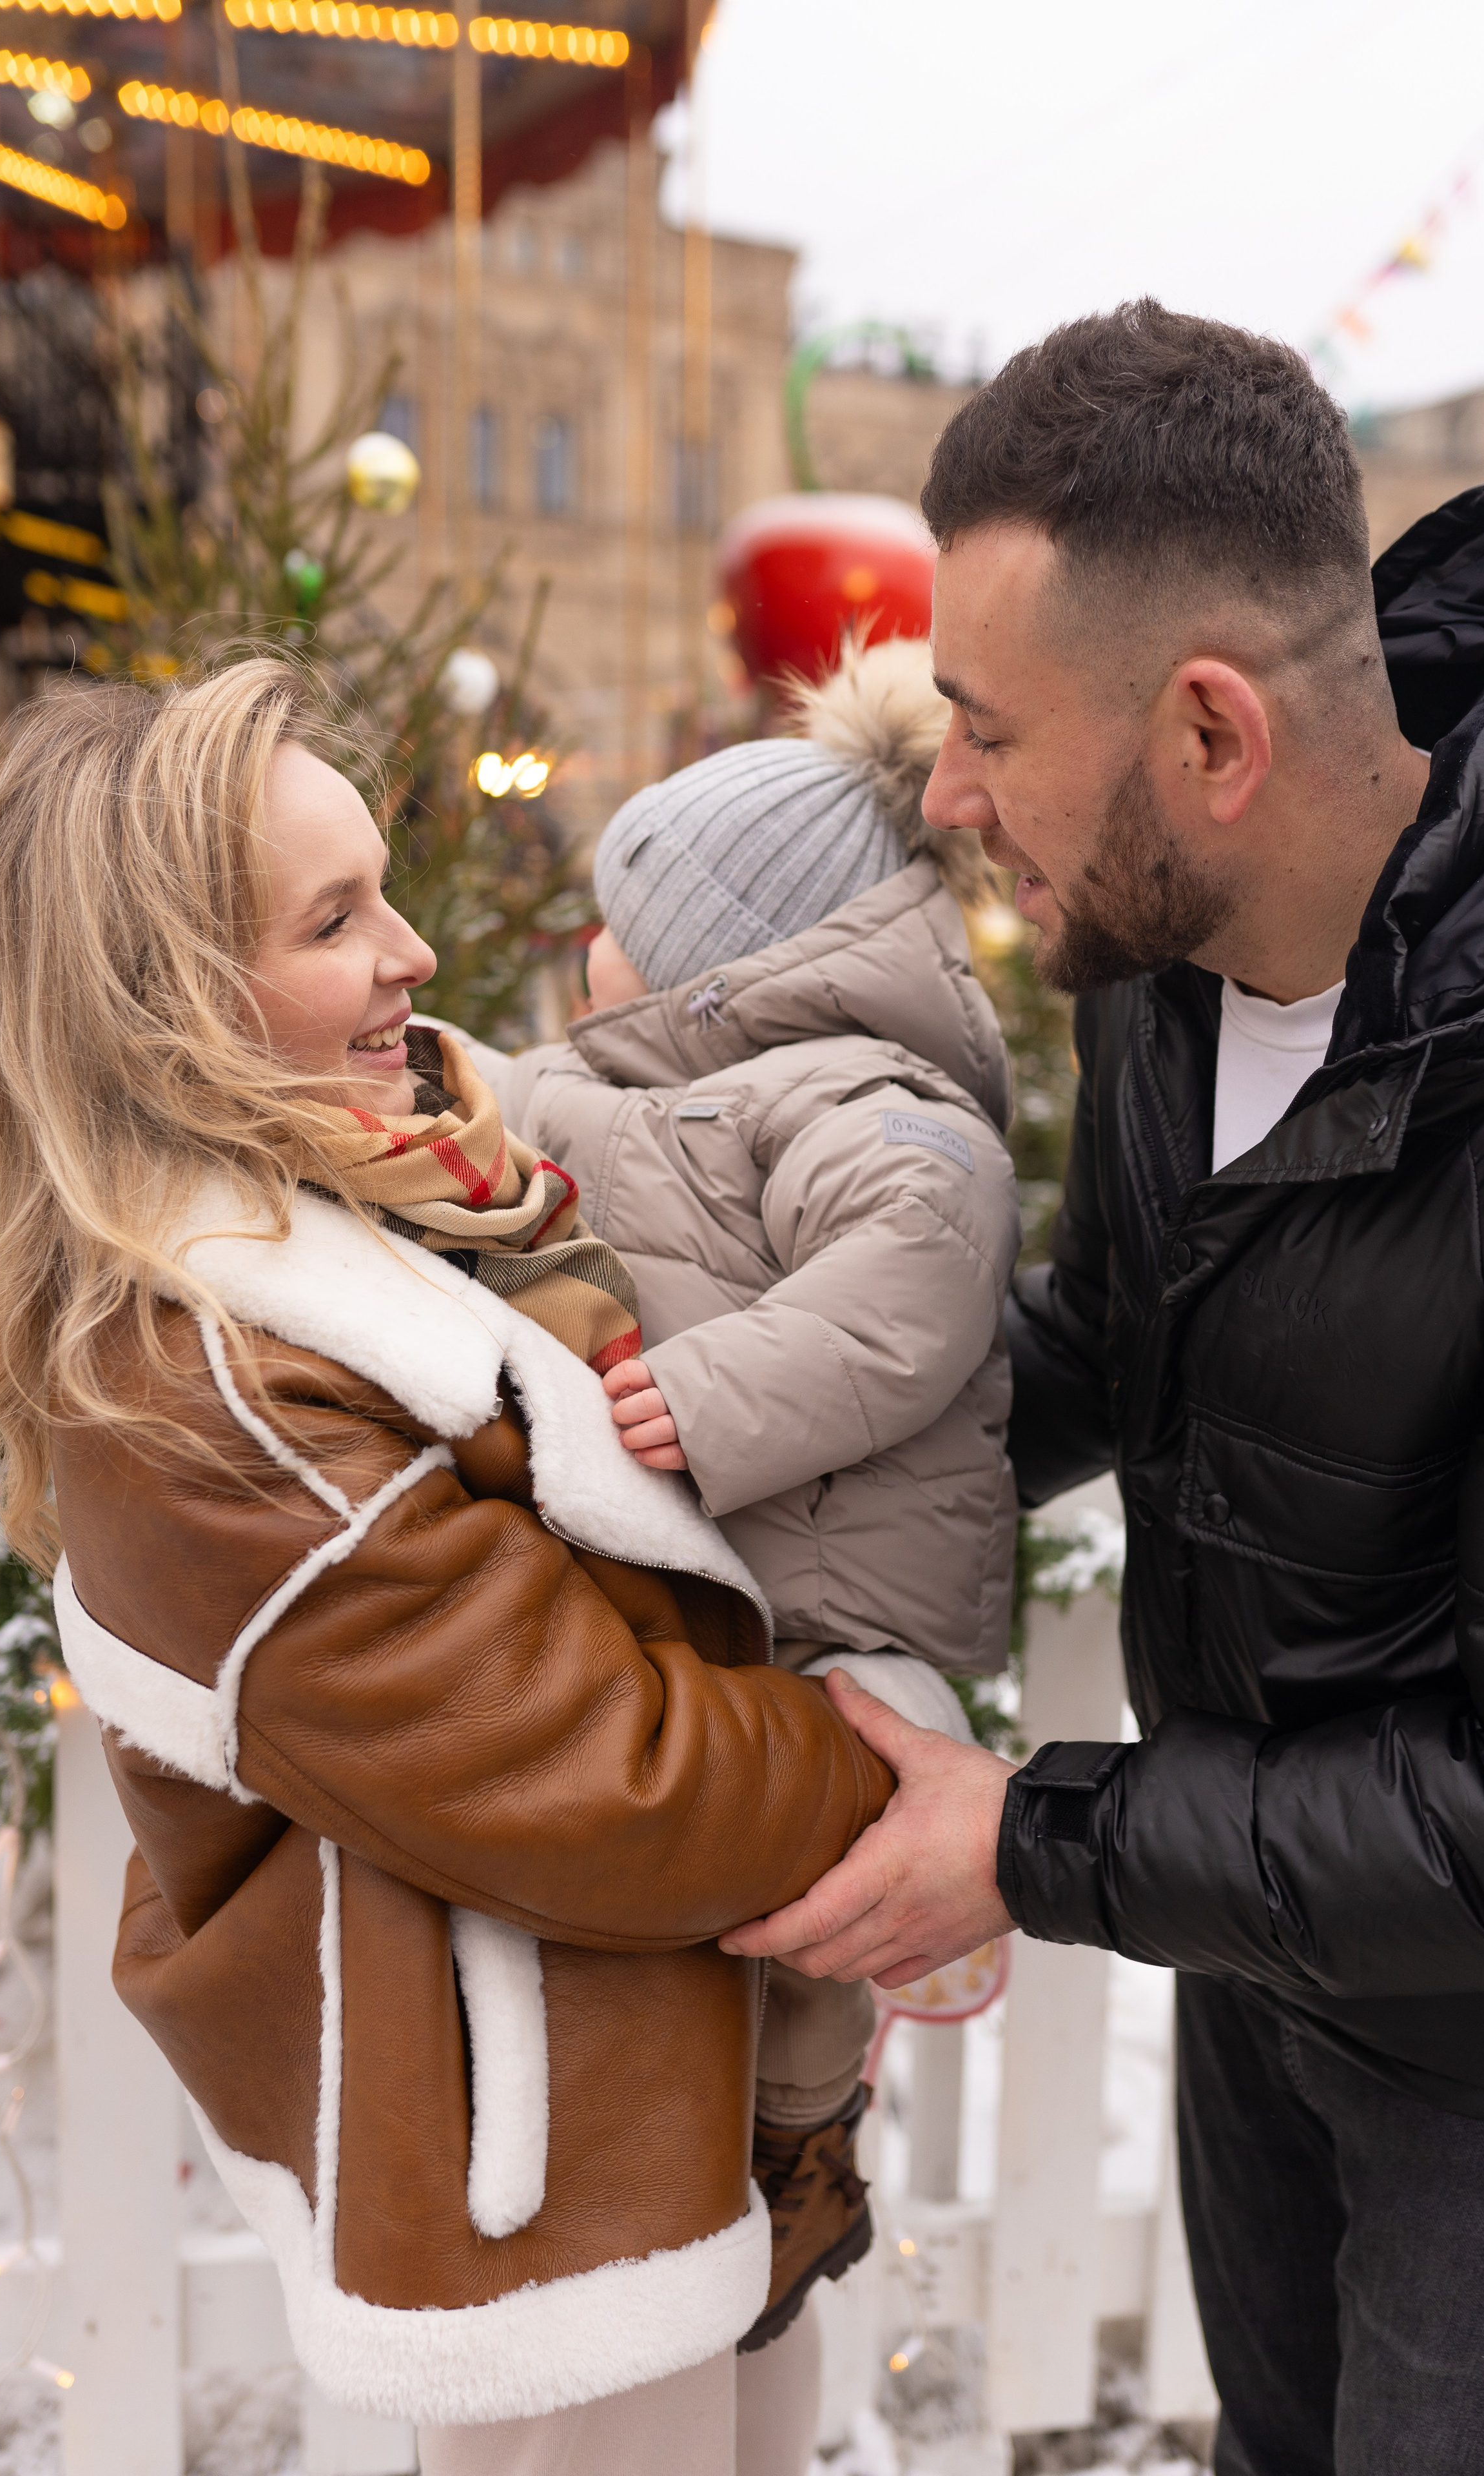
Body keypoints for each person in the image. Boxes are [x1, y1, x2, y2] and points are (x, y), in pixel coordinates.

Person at [724, 300, 1484, 2476]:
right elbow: (1116, 1333)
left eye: (989, 726)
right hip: (1263, 1972)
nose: (945, 789)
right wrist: (736, 1418)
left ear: (1210, 733)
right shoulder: (1164, 975)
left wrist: (1031, 1833)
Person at [0, 656, 899, 2476]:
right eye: (334, 917)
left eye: (384, 889)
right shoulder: (204, 1387)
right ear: (163, 1002)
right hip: (548, 2193)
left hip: (686, 2095)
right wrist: (895, 1779)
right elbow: (604, 1780)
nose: (416, 955)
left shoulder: (440, 1194)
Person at [461, 634, 1019, 2352]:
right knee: (712, 1898)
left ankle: (807, 2151)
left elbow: (924, 1261)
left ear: (729, 957)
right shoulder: (633, 1082)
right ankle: (733, 2150)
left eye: (625, 916)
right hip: (702, 1587)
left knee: (808, 1907)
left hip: (841, 1599)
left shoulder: (861, 1099)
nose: (587, 947)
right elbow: (505, 1128)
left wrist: (709, 1399)